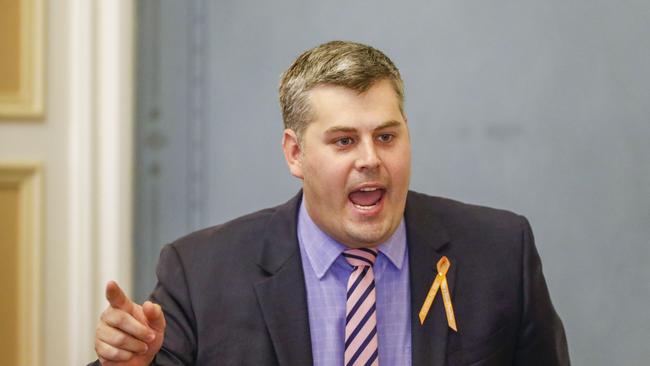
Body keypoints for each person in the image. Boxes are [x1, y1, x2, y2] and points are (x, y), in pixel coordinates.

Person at [91, 41, 570, 365]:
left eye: (386, 136)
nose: (370, 160)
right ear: (295, 154)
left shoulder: (500, 253)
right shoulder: (200, 274)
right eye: (343, 141)